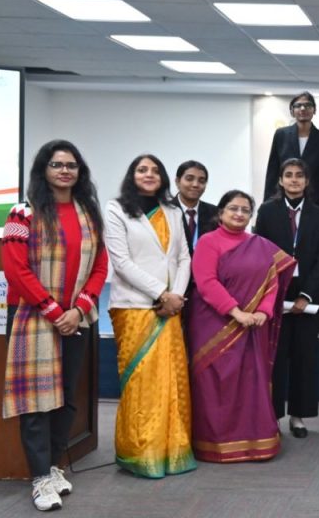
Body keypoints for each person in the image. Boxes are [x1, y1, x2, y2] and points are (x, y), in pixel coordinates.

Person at [1, 140, 108, 511]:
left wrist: (78, 309)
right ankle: (40, 479)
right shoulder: (23, 212)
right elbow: (15, 269)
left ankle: (54, 466)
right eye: (57, 164)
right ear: (43, 170)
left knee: (65, 397)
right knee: (35, 402)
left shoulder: (88, 214)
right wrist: (52, 310)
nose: (65, 171)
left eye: (71, 165)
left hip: (75, 318)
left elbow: (100, 267)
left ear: (80, 172)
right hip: (32, 318)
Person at [188, 190, 296, 462]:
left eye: (245, 210)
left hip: (252, 328)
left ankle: (254, 442)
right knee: (216, 383)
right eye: (233, 208)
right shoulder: (208, 242)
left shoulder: (261, 245)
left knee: (250, 382)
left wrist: (263, 311)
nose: (239, 214)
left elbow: (273, 281)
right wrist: (236, 312)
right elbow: (206, 283)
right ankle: (215, 444)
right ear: (221, 213)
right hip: (213, 325)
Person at [105, 154, 195, 478]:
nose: (149, 174)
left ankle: (172, 451)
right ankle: (140, 452)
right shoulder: (116, 209)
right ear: (132, 175)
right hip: (134, 307)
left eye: (155, 170)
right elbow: (121, 262)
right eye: (142, 169)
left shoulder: (172, 210)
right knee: (142, 382)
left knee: (172, 380)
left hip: (170, 308)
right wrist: (161, 293)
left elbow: (184, 258)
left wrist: (176, 297)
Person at [253, 159, 319, 439]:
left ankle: (298, 417)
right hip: (275, 291)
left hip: (307, 293)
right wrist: (272, 292)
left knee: (304, 358)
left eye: (299, 175)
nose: (294, 180)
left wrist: (306, 295)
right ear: (280, 180)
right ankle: (272, 417)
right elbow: (259, 253)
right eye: (289, 175)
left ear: (307, 181)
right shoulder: (267, 211)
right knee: (275, 358)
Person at [264, 91, 319, 207]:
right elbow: (273, 172)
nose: (303, 108)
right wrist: (267, 203)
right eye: (298, 105)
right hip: (283, 200)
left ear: (314, 110)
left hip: (315, 202)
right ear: (292, 111)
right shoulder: (281, 135)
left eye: (308, 105)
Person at [173, 160, 217, 256]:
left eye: (201, 181)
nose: (195, 184)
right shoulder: (165, 211)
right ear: (177, 181)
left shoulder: (215, 213)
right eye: (189, 179)